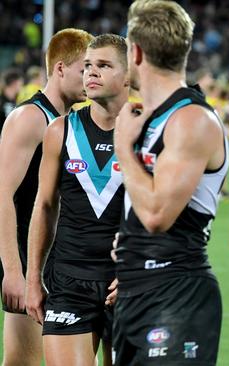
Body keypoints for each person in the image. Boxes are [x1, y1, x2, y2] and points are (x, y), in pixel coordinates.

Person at [112, 1, 229, 364]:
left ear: (136, 52)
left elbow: (158, 215)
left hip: (177, 293)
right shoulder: (149, 119)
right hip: (135, 290)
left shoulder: (191, 120)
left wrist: (123, 149)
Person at [24, 33, 129, 366]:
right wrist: (32, 280)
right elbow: (43, 206)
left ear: (129, 76)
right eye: (87, 66)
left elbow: (169, 216)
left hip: (126, 280)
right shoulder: (60, 130)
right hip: (69, 279)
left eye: (103, 65)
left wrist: (137, 271)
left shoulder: (150, 135)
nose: (91, 73)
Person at [0, 28, 93, 366]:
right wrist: (14, 271)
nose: (91, 76)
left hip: (65, 263)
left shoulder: (75, 123)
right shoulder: (30, 118)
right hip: (29, 260)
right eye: (85, 68)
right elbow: (2, 196)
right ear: (60, 69)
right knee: (22, 361)